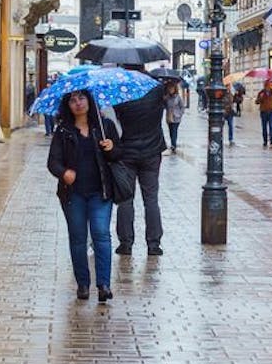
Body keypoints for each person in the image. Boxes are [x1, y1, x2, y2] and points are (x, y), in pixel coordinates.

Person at [46, 89, 122, 303]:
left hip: (100, 191)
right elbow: (53, 162)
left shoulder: (104, 126)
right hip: (74, 194)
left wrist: (112, 147)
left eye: (82, 98)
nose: (78, 103)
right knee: (78, 239)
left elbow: (118, 155)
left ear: (89, 100)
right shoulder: (63, 131)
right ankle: (83, 284)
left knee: (101, 235)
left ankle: (104, 285)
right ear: (68, 106)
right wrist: (64, 173)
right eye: (73, 100)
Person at [112, 80, 169, 257]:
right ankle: (154, 244)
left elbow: (115, 119)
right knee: (151, 199)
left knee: (125, 199)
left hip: (126, 152)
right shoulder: (157, 88)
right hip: (152, 152)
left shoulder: (120, 89)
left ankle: (125, 243)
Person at [163, 80, 187, 154]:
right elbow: (164, 106)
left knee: (174, 131)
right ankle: (173, 144)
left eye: (172, 88)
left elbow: (182, 107)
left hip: (176, 118)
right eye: (169, 88)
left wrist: (179, 114)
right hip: (169, 117)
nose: (170, 90)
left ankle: (173, 145)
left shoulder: (178, 97)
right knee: (170, 131)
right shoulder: (167, 97)